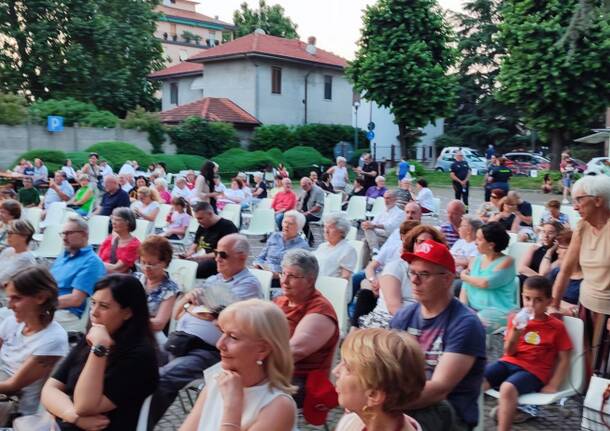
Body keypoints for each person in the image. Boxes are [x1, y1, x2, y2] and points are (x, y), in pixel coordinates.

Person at [149, 234, 262, 426]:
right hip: (180, 341)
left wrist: (191, 306)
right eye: (216, 253)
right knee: (141, 368)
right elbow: (177, 313)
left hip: (209, 351)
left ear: (242, 257)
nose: (217, 258)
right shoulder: (212, 279)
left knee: (162, 379)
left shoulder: (248, 285)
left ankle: (141, 424)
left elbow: (218, 315)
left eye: (223, 254)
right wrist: (189, 304)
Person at [41, 274, 159, 431]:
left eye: (104, 306)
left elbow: (85, 405)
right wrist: (72, 416)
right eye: (93, 303)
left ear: (127, 313)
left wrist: (100, 348)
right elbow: (50, 388)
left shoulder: (140, 356)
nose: (94, 312)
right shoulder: (96, 334)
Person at [390, 240, 486, 430]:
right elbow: (386, 365)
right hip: (407, 404)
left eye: (424, 274)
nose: (415, 280)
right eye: (413, 273)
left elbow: (439, 389)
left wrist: (384, 404)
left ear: (447, 279)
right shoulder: (404, 316)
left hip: (448, 415)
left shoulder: (466, 324)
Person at [178, 299, 297, 431]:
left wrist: (232, 405)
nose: (220, 344)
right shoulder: (220, 377)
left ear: (262, 349)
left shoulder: (278, 406)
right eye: (223, 332)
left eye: (233, 337)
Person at [484, 276, 572, 430]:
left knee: (507, 388)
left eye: (538, 300)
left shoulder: (556, 327)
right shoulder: (516, 319)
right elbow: (508, 351)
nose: (531, 305)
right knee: (476, 379)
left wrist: (554, 384)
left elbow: (565, 358)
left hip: (534, 371)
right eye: (527, 298)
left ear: (549, 302)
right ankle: (466, 422)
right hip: (509, 362)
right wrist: (516, 332)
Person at [550, 175, 610, 375]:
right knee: (585, 365)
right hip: (587, 305)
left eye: (579, 200)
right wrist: (554, 304)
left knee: (602, 370)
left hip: (607, 310)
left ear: (598, 200)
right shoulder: (582, 227)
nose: (575, 207)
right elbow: (565, 269)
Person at [0, 267, 69, 420]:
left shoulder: (53, 339)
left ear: (40, 298)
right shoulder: (13, 321)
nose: (10, 305)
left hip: (16, 404)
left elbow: (13, 386)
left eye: (16, 298)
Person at [274, 249, 339, 405]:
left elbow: (295, 351)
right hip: (278, 369)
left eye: (292, 276)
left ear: (310, 281)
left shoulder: (320, 311)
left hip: (303, 379)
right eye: (283, 274)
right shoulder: (281, 300)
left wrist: (254, 361)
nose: (284, 281)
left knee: (250, 389)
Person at [355, 224, 445, 330]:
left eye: (430, 243)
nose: (425, 246)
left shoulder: (438, 272)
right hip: (390, 321)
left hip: (424, 324)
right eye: (420, 242)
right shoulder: (395, 267)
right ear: (412, 244)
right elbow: (394, 308)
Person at [334, 329, 425, 431]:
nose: (335, 371)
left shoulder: (350, 423)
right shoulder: (351, 421)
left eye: (348, 368)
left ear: (373, 395)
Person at [51, 216, 106, 331]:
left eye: (69, 233)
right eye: (63, 234)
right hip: (51, 306)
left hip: (67, 312)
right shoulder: (63, 256)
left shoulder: (92, 262)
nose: (64, 238)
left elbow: (75, 300)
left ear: (84, 235)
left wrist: (39, 304)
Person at [460, 222, 517, 331]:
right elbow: (465, 287)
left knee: (472, 325)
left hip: (498, 311)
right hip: (472, 309)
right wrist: (464, 309)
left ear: (491, 245)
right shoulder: (476, 260)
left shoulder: (507, 261)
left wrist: (464, 277)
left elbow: (486, 283)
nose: (475, 242)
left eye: (479, 239)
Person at [134, 236, 179, 341]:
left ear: (164, 263)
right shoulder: (136, 278)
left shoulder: (170, 288)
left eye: (151, 264)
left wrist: (130, 320)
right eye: (143, 262)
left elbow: (159, 323)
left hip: (151, 335)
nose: (146, 268)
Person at [182, 202, 238, 278]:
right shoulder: (202, 225)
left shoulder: (227, 226)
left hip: (220, 261)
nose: (198, 221)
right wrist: (188, 254)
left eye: (200, 218)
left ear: (210, 214)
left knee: (190, 270)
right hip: (203, 257)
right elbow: (196, 243)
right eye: (197, 218)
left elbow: (224, 253)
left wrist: (198, 257)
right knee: (180, 266)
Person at [253, 210, 308, 286]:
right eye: (285, 222)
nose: (286, 226)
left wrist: (278, 275)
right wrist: (257, 264)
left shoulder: (302, 246)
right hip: (265, 272)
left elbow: (298, 272)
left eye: (290, 224)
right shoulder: (274, 236)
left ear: (299, 227)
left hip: (282, 280)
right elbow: (260, 257)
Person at [542, 230, 582, 313]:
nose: (557, 251)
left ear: (573, 250)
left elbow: (581, 311)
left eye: (560, 248)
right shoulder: (556, 272)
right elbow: (541, 297)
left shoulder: (587, 280)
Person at [312, 212, 357, 280]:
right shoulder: (322, 246)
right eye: (325, 226)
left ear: (342, 231)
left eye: (330, 227)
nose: (326, 231)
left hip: (331, 287)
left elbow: (344, 278)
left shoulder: (348, 250)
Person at [517, 221, 562, 285]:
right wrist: (539, 278)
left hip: (544, 286)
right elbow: (521, 268)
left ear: (558, 235)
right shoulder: (534, 248)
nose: (546, 236)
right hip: (531, 281)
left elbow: (544, 273)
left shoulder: (560, 254)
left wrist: (550, 251)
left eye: (550, 233)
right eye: (544, 232)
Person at [98, 207, 140, 274]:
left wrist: (96, 264)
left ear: (127, 223)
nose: (113, 222)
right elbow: (98, 258)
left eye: (117, 220)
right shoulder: (109, 239)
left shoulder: (134, 244)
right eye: (113, 219)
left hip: (116, 280)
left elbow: (117, 269)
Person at [361, 190, 405, 255]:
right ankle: (375, 250)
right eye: (384, 198)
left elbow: (391, 227)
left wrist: (374, 226)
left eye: (388, 198)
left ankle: (374, 252)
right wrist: (367, 224)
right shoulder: (382, 211)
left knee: (365, 241)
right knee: (367, 228)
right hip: (376, 235)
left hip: (388, 238)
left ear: (395, 199)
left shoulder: (400, 213)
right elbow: (373, 223)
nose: (385, 200)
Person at [0, 220, 36, 284]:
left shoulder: (25, 258)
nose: (8, 236)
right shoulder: (8, 250)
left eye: (11, 233)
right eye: (8, 232)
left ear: (24, 236)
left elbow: (1, 279)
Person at [297, 177, 325, 247]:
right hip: (304, 212)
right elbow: (299, 199)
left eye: (304, 186)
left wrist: (308, 212)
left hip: (315, 214)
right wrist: (297, 205)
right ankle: (295, 238)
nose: (303, 188)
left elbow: (318, 207)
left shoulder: (319, 191)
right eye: (302, 186)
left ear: (310, 184)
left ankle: (311, 239)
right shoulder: (305, 190)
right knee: (291, 217)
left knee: (302, 219)